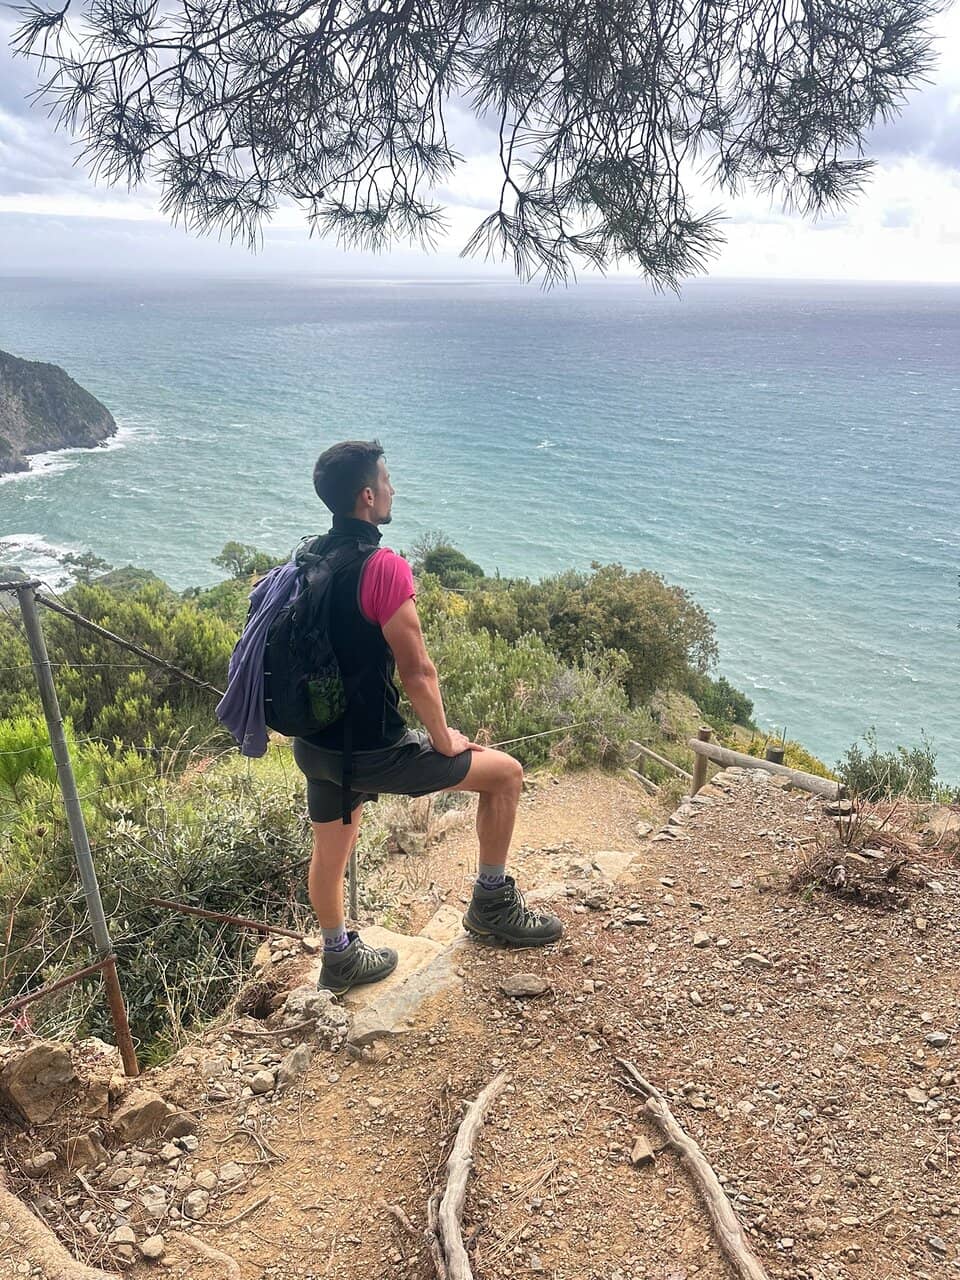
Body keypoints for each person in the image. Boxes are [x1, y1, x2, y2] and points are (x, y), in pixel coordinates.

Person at [292, 439, 562, 995]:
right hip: (372, 751)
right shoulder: (383, 567)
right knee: (505, 774)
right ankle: (491, 903)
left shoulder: (308, 557)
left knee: (331, 849)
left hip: (316, 747)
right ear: (367, 497)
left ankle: (338, 954)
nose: (394, 489)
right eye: (387, 481)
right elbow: (417, 671)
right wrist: (444, 740)